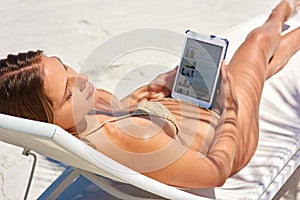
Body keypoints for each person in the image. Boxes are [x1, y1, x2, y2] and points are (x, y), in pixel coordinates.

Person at [1, 0, 300, 189]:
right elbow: (215, 172)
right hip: (228, 137)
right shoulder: (127, 141)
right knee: (257, 44)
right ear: (47, 119)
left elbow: (122, 114)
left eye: (66, 67)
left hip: (193, 109)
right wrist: (231, 106)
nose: (80, 79)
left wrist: (153, 88)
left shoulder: (82, 120)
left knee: (256, 64)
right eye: (68, 93)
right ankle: (282, 11)